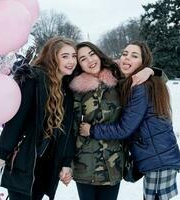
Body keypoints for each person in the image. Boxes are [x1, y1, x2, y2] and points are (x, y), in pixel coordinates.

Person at [79, 41, 180, 200]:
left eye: (134, 56)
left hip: (158, 159)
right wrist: (149, 70)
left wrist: (91, 130)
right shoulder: (135, 81)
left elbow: (124, 129)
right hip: (158, 158)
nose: (127, 59)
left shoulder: (140, 86)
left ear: (143, 61)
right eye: (124, 54)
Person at [0, 37, 77, 200]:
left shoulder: (66, 89)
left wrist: (66, 162)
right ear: (53, 56)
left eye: (73, 56)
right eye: (65, 56)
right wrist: (3, 153)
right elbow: (17, 119)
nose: (71, 61)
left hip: (46, 165)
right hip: (25, 159)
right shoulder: (34, 79)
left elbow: (67, 131)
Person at [69, 41, 158, 200]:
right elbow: (70, 130)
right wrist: (65, 162)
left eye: (91, 54)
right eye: (83, 59)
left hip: (113, 164)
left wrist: (150, 71)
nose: (90, 61)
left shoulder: (118, 76)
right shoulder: (74, 89)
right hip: (85, 165)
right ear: (78, 64)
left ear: (98, 54)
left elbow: (160, 78)